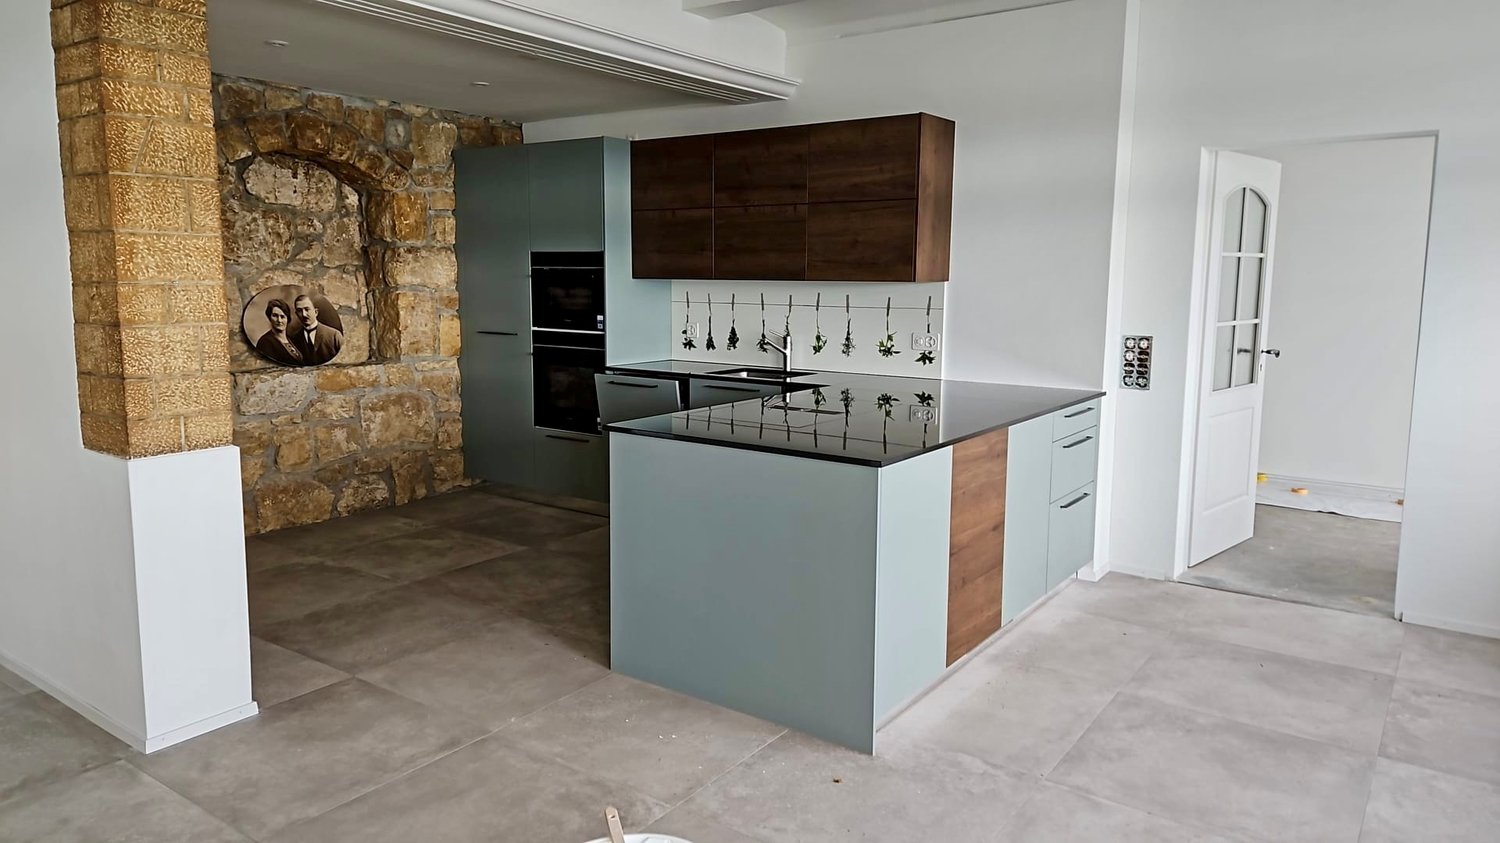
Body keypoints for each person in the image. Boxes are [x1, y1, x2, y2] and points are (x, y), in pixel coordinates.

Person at [290, 293, 343, 365]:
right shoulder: (294, 339)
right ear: (296, 314)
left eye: (307, 309)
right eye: (299, 310)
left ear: (316, 312)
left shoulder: (334, 336)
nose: (304, 314)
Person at [253, 298, 305, 367]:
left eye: (282, 317)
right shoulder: (265, 342)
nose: (279, 320)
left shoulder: (294, 340)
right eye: (275, 316)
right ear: (269, 318)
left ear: (287, 319)